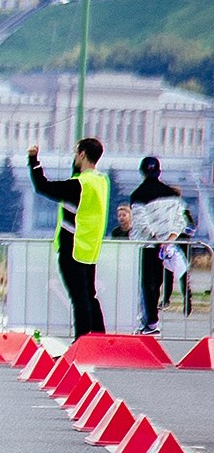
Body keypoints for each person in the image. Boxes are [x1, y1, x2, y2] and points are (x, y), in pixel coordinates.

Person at [29, 138, 109, 339]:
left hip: (72, 246)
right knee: (89, 295)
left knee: (79, 297)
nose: (74, 157)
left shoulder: (79, 185)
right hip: (89, 247)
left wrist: (33, 161)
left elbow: (43, 187)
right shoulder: (100, 181)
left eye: (76, 153)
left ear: (82, 154)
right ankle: (99, 337)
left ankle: (82, 339)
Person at [128, 155, 188, 336]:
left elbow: (141, 222)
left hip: (148, 246)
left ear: (142, 172)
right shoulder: (172, 194)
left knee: (148, 283)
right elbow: (180, 220)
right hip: (167, 247)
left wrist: (157, 238)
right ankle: (152, 319)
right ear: (159, 171)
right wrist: (169, 239)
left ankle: (151, 321)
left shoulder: (138, 195)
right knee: (159, 282)